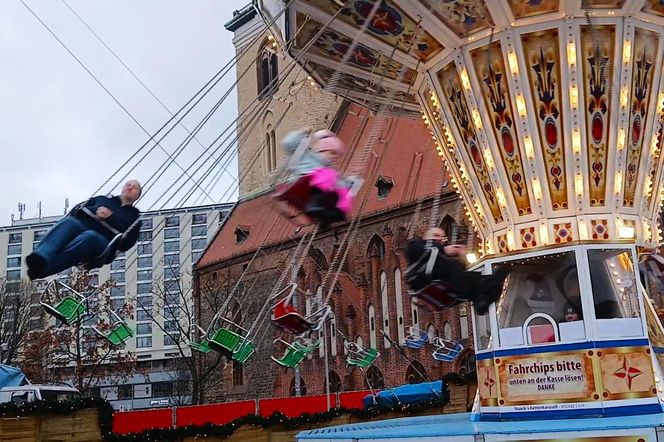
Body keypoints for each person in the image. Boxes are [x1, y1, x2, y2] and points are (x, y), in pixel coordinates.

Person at [26, 180, 143, 280]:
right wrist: (96, 210)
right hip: (81, 228)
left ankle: (43, 270)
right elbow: (80, 209)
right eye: (128, 184)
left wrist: (111, 217)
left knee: (89, 237)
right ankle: (40, 258)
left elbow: (128, 243)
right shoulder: (102, 199)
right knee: (69, 222)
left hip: (103, 244)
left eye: (135, 187)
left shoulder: (134, 217)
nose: (130, 187)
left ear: (137, 196)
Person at [405, 227, 508, 315]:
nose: (440, 239)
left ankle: (482, 300)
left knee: (487, 280)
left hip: (447, 283)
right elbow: (418, 249)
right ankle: (480, 292)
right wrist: (444, 250)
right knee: (456, 269)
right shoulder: (416, 244)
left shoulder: (443, 258)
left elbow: (460, 272)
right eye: (436, 235)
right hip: (423, 278)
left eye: (442, 237)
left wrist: (461, 256)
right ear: (425, 237)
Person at [280, 129, 361, 228]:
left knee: (339, 191)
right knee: (328, 176)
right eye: (333, 153)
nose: (334, 158)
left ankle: (330, 217)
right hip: (305, 180)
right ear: (323, 148)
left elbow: (339, 185)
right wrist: (302, 132)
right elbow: (288, 143)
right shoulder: (306, 155)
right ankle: (316, 206)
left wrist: (351, 184)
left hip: (316, 192)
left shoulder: (327, 167)